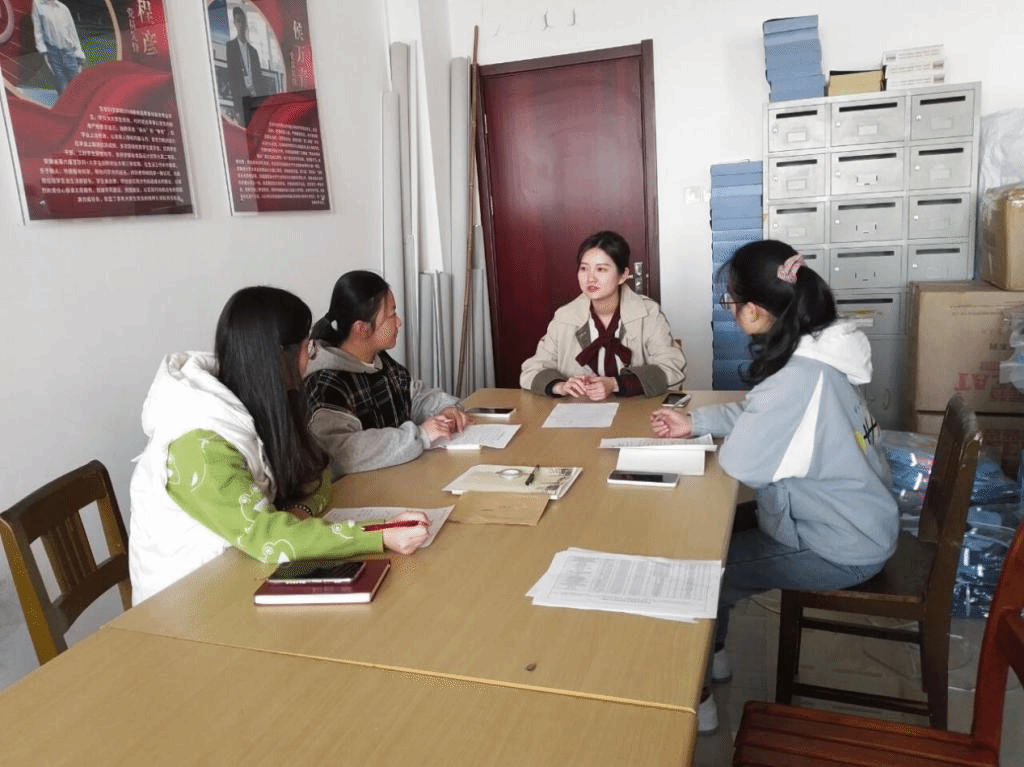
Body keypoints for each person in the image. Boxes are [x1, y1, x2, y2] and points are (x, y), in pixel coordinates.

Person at [649, 239, 899, 735]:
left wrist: (708, 433)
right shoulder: (816, 354)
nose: (730, 309)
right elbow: (758, 414)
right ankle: (715, 655)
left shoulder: (795, 380)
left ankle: (696, 696)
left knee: (705, 570)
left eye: (731, 299)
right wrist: (696, 423)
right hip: (859, 519)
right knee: (715, 542)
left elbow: (743, 462)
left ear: (755, 311)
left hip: (839, 545)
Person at [129, 287, 428, 605]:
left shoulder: (262, 402)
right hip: (184, 603)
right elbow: (266, 538)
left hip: (246, 573)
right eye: (308, 347)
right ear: (279, 357)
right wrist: (378, 534)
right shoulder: (196, 443)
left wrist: (300, 511)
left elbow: (318, 472)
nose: (312, 359)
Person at [304, 271, 468, 476]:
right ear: (361, 328)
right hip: (363, 491)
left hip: (400, 476)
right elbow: (343, 452)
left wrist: (445, 409)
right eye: (391, 315)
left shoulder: (380, 361)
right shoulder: (326, 384)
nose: (399, 322)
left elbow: (414, 396)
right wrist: (419, 435)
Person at [520, 230, 685, 400]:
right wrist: (560, 386)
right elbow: (532, 370)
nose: (590, 278)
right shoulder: (564, 317)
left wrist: (614, 384)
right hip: (578, 410)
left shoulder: (648, 313)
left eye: (601, 269)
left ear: (623, 275)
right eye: (584, 268)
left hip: (637, 410)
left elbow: (671, 368)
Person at [32, 0, 85, 95]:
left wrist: (79, 55)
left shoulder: (63, 9)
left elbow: (72, 33)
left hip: (69, 52)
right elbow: (38, 31)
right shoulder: (38, 5)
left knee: (77, 87)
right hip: (53, 53)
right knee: (62, 88)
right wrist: (44, 53)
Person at [225, 5, 263, 124]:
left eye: (242, 21)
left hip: (255, 97)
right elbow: (232, 77)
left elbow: (259, 77)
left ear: (246, 23)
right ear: (235, 24)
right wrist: (237, 105)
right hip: (242, 99)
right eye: (238, 21)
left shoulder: (253, 52)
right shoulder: (230, 47)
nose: (240, 24)